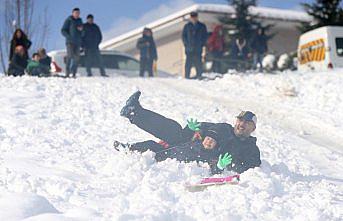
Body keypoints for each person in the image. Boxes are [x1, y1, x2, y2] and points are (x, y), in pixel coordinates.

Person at [116, 91, 261, 174]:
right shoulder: (224, 127)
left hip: (197, 157)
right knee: (174, 129)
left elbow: (251, 167)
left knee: (154, 147)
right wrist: (193, 129)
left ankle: (130, 148)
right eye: (240, 120)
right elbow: (201, 127)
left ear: (253, 128)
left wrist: (227, 165)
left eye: (246, 123)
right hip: (188, 144)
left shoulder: (250, 148)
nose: (241, 124)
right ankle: (133, 112)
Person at [182, 12, 208, 79]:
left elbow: (205, 36)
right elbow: (183, 36)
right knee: (188, 63)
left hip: (198, 48)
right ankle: (187, 76)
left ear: (197, 17)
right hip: (189, 48)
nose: (194, 18)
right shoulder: (187, 26)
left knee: (198, 62)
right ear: (190, 18)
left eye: (195, 16)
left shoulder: (202, 26)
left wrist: (202, 44)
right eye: (192, 17)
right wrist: (186, 44)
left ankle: (199, 75)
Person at [61, 7, 83, 78]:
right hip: (70, 42)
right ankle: (67, 73)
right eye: (76, 13)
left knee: (77, 58)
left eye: (78, 13)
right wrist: (68, 36)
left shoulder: (80, 21)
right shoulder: (69, 20)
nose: (77, 14)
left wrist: (81, 30)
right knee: (70, 55)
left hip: (78, 42)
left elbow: (83, 33)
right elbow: (63, 30)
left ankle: (73, 73)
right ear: (73, 13)